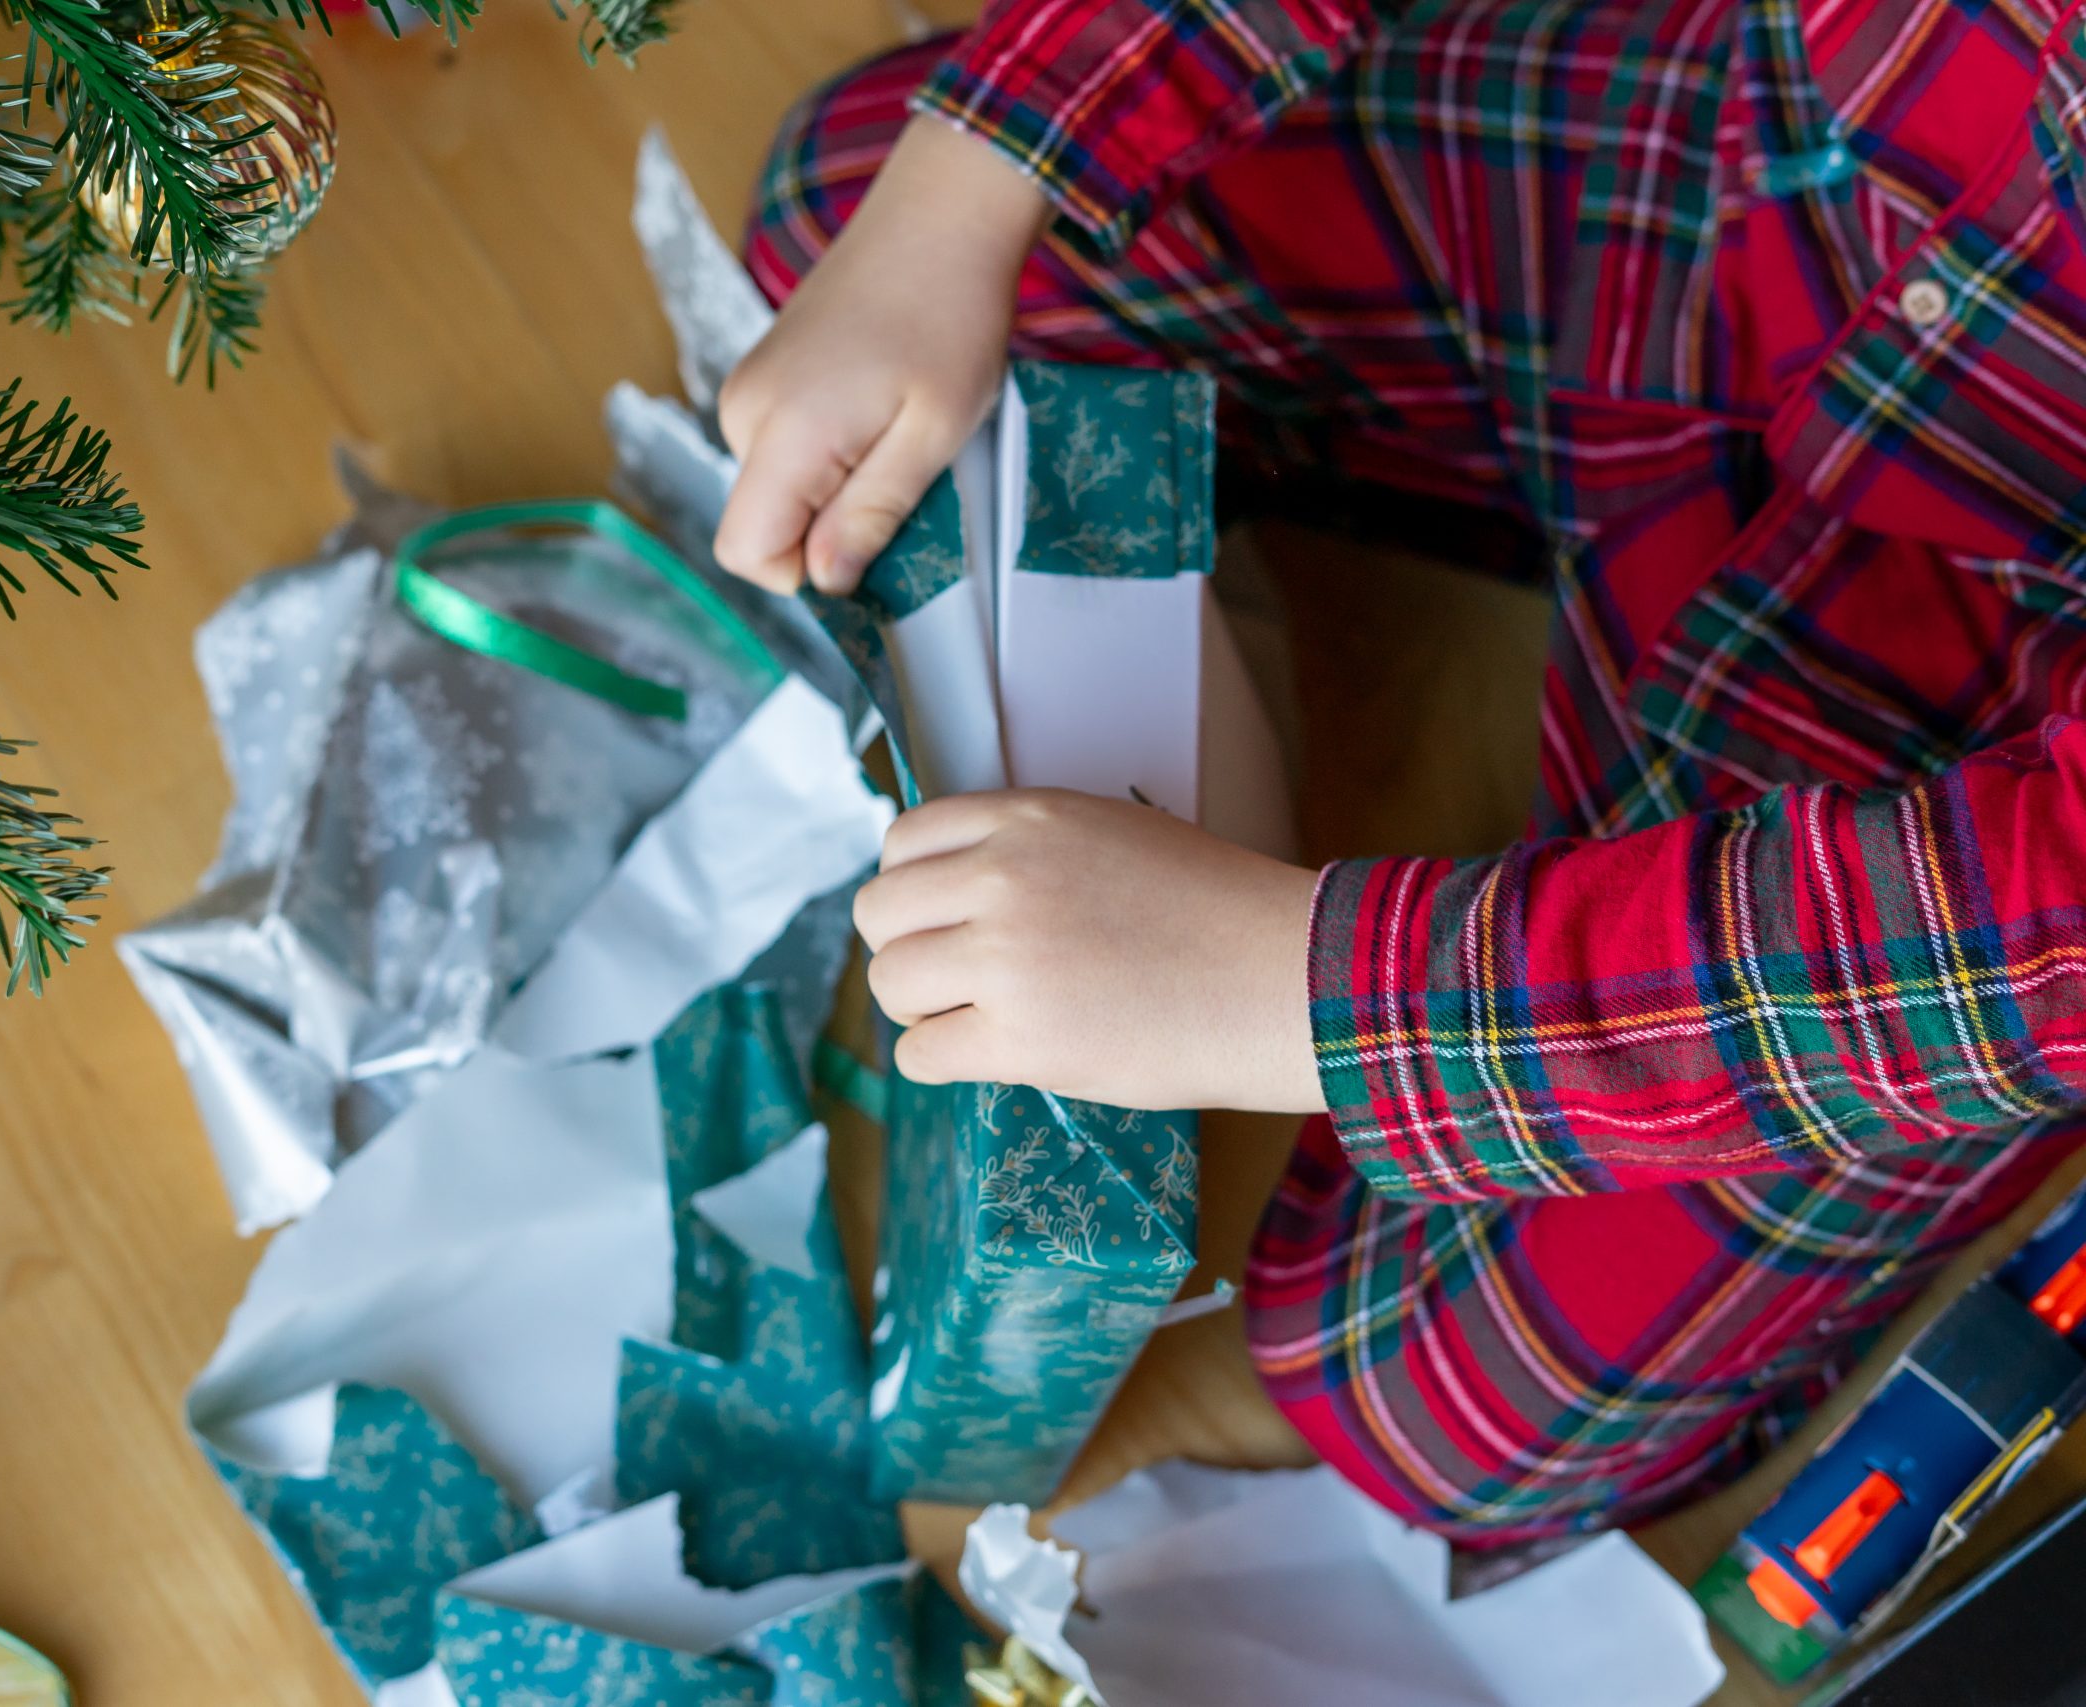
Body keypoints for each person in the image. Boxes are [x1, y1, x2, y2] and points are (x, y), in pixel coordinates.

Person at [711, 0, 2086, 1543]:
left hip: (1999, 726)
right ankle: (1455, 526)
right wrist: (975, 180)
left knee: (1413, 1393)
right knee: (846, 211)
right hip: (1758, 183)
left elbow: (2037, 927)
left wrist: (1294, 992)